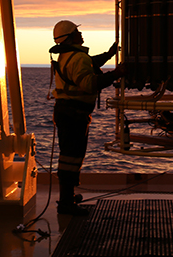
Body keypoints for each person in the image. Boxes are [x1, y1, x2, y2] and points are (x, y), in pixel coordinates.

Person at [48, 20, 124, 216]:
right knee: (71, 158)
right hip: (74, 115)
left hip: (66, 113)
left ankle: (67, 197)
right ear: (70, 37)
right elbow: (90, 84)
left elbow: (91, 63)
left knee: (69, 157)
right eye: (77, 31)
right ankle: (66, 204)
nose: (81, 34)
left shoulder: (69, 56)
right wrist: (117, 73)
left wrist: (109, 54)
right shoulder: (78, 58)